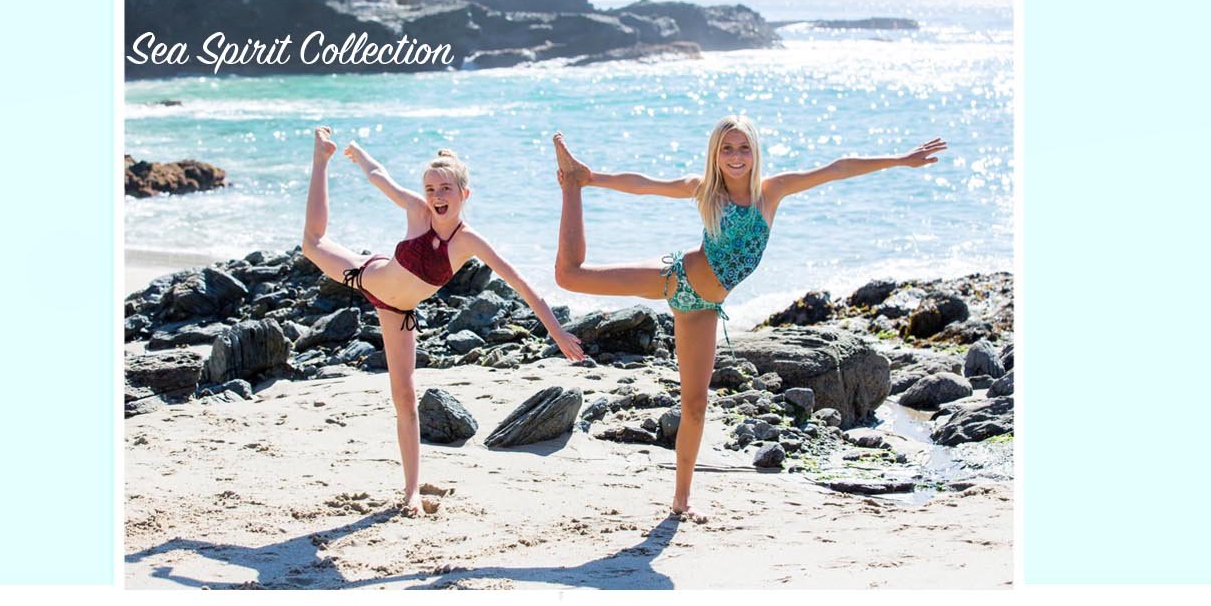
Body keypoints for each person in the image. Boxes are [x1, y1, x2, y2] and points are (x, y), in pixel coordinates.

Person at [551, 116, 946, 522]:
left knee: (695, 405)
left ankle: (681, 500)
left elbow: (837, 168)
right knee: (569, 276)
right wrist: (592, 178)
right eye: (727, 149)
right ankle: (573, 183)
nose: (735, 157)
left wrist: (900, 161)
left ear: (755, 152)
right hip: (676, 278)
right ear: (715, 155)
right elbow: (645, 184)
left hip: (702, 309)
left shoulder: (770, 193)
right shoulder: (705, 190)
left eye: (743, 148)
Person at [302, 127, 585, 514]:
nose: (436, 196)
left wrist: (557, 332)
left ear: (463, 194)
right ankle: (321, 158)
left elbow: (519, 282)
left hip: (396, 312)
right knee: (311, 243)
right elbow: (380, 178)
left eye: (445, 189)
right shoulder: (418, 212)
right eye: (430, 188)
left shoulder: (469, 241)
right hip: (368, 276)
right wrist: (359, 155)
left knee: (405, 396)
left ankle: (411, 492)